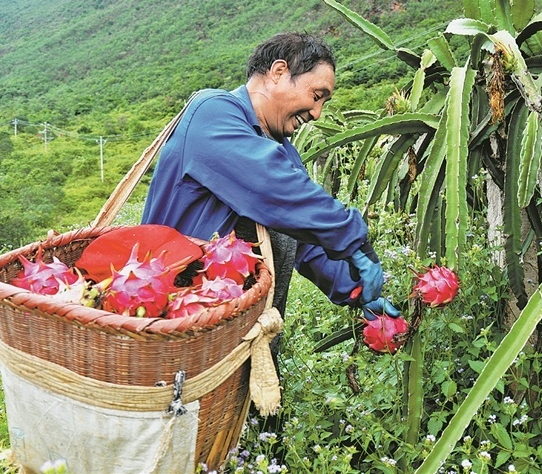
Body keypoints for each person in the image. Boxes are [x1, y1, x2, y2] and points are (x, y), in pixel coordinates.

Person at [141, 32, 401, 334]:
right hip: (178, 330)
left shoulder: (286, 156)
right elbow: (274, 188)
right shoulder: (212, 112)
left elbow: (304, 244)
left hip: (250, 344)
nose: (316, 114)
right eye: (316, 96)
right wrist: (354, 239)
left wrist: (356, 290)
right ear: (279, 72)